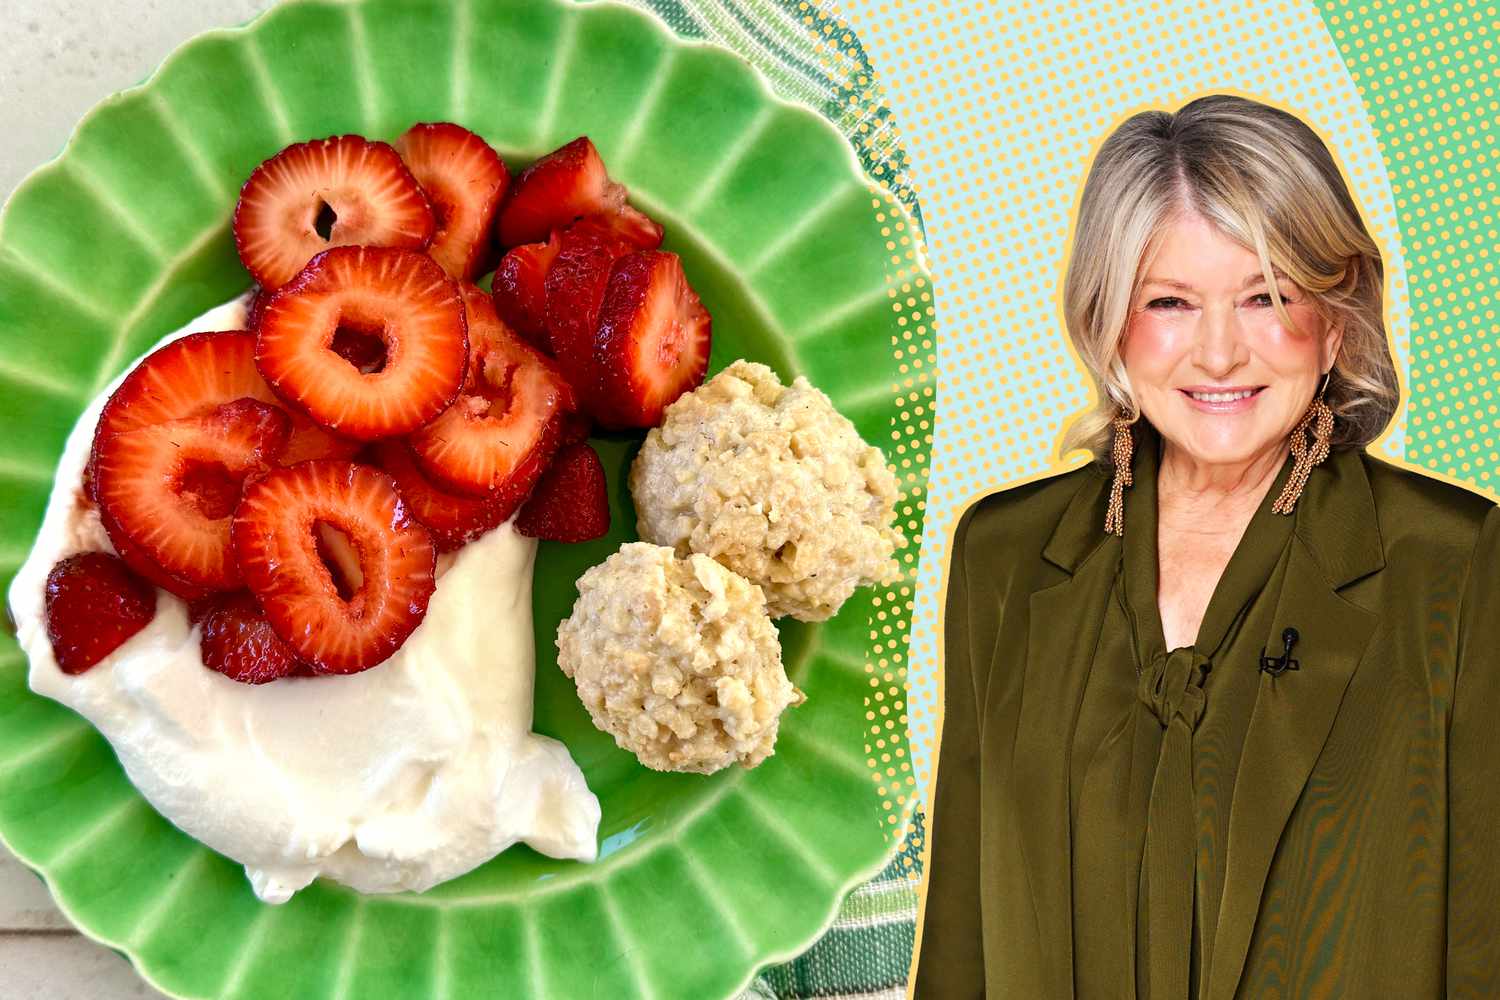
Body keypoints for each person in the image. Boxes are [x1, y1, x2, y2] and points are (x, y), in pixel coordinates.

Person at [913, 94, 1499, 999]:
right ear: (1111, 320)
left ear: (1336, 320)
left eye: (1267, 296)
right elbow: (963, 946)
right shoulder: (1004, 555)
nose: (1220, 353)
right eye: (1172, 302)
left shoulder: (1458, 565)